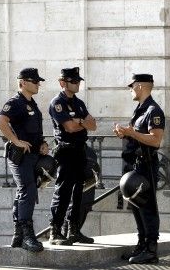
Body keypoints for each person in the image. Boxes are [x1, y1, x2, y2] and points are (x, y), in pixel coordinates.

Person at [0, 67, 48, 252]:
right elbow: (0, 122)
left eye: (38, 81)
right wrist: (16, 141)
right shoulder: (15, 102)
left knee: (23, 192)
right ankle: (27, 235)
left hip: (33, 154)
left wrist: (42, 143)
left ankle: (18, 235)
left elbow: (33, 128)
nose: (38, 84)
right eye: (35, 81)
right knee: (28, 190)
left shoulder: (31, 103)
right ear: (23, 83)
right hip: (20, 156)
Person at [114, 74, 165, 264]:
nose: (130, 90)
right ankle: (142, 245)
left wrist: (131, 132)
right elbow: (138, 136)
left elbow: (156, 140)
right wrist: (125, 134)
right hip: (135, 165)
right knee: (136, 207)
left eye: (132, 86)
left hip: (146, 165)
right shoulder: (140, 110)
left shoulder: (154, 111)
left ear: (140, 86)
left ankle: (151, 250)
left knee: (148, 207)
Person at [48, 67, 97, 245]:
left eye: (78, 81)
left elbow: (93, 125)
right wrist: (82, 122)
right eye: (73, 81)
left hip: (79, 150)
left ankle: (73, 230)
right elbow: (69, 127)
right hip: (66, 151)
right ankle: (55, 230)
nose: (77, 84)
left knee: (79, 191)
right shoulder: (57, 103)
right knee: (63, 191)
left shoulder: (79, 103)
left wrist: (80, 122)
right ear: (63, 83)